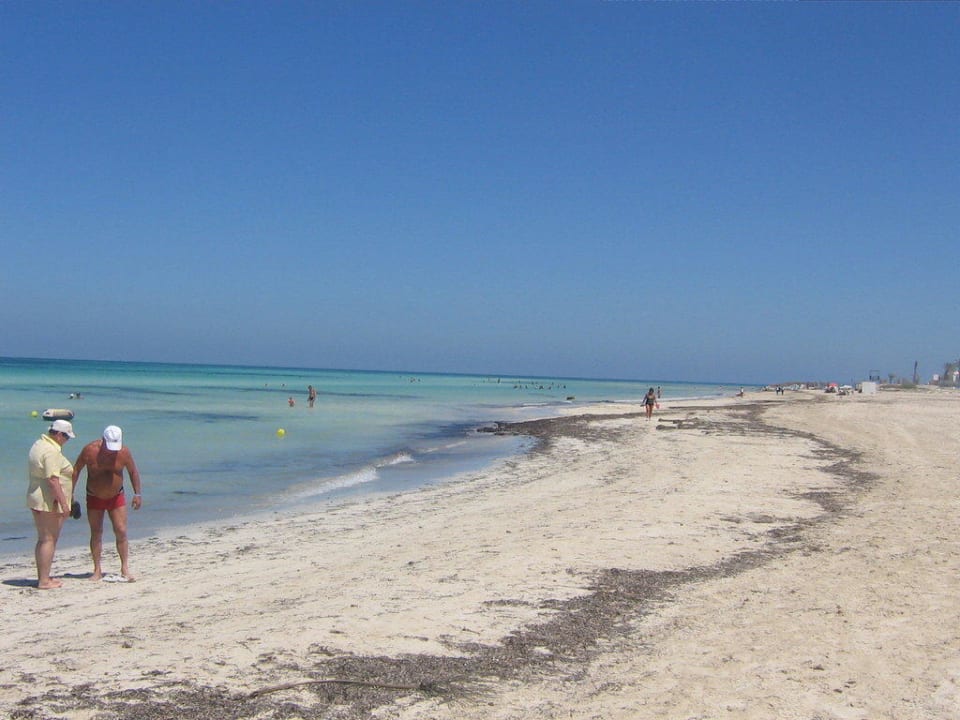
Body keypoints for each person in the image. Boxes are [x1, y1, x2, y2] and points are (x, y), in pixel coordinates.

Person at [72, 425, 142, 582]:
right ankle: (97, 569)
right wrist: (70, 494)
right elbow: (76, 470)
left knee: (121, 531)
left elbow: (133, 471)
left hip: (116, 496)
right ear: (103, 440)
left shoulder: (123, 452)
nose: (112, 451)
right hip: (94, 496)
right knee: (96, 532)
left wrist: (137, 493)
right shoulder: (89, 451)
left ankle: (124, 567)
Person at [26, 419, 76, 589]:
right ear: (59, 435)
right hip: (48, 501)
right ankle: (44, 580)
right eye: (67, 437)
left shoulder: (39, 443)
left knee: (43, 539)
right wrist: (65, 505)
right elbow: (53, 480)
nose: (67, 441)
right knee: (49, 539)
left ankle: (43, 576)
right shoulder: (51, 451)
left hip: (36, 495)